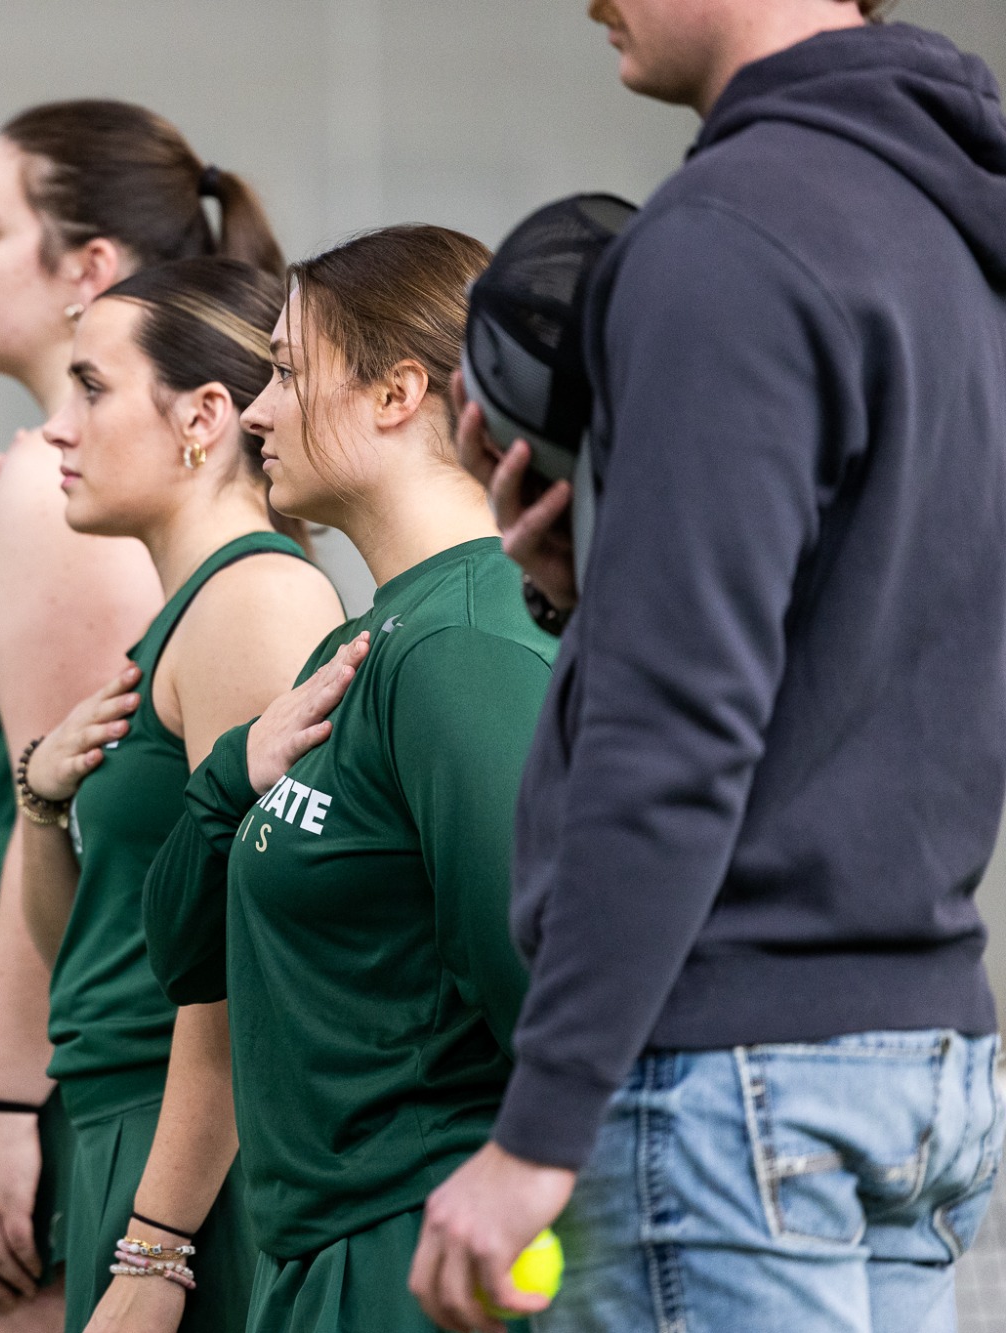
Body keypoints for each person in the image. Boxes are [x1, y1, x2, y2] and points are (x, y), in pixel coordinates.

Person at [411, 5, 1006, 1331]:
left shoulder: (724, 238)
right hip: (916, 1063)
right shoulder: (950, 224)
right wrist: (598, 592)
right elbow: (879, 633)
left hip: (734, 1088)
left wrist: (538, 1125)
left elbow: (675, 720)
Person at [0, 98, 274, 1331]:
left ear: (87, 266)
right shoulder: (43, 481)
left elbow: (95, 834)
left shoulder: (69, 498)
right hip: (11, 1029)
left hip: (42, 1046)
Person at [135, 226, 556, 1333]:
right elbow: (185, 950)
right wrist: (232, 770)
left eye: (282, 371)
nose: (257, 411)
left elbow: (538, 989)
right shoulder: (357, 647)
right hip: (324, 1255)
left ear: (395, 393)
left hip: (422, 1251)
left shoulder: (464, 640)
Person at [15, 257, 341, 1333]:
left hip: (192, 1158)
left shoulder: (253, 602)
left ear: (203, 414)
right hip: (124, 1125)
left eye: (91, 388)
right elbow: (100, 950)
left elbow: (243, 965)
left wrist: (156, 1247)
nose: (56, 430)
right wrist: (42, 802)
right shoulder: (179, 620)